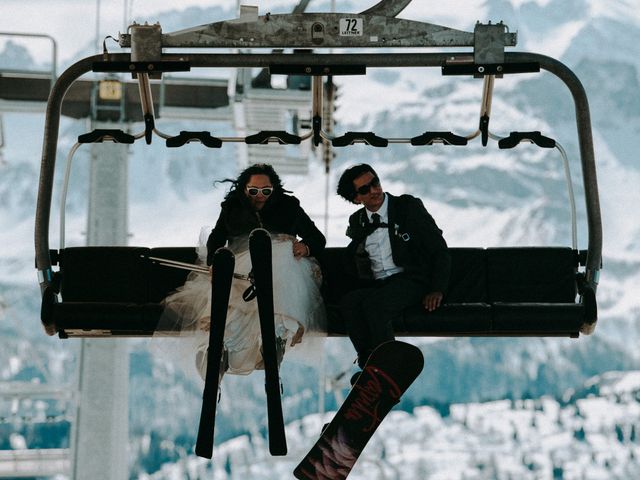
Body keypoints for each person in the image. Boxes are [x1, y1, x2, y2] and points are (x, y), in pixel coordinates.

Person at [162, 163, 326, 381]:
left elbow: (317, 238)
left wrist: (304, 247)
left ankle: (274, 336)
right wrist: (215, 262)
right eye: (254, 191)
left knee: (278, 263)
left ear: (274, 189)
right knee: (233, 296)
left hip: (284, 263)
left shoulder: (289, 206)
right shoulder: (232, 207)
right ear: (244, 189)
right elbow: (217, 238)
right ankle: (223, 345)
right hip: (242, 266)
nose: (260, 196)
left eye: (266, 191)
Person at [336, 163, 451, 376]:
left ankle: (390, 371)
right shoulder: (358, 221)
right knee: (349, 303)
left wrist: (437, 288)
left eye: (375, 182)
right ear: (356, 199)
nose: (374, 190)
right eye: (364, 189)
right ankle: (368, 364)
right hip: (379, 284)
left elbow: (438, 248)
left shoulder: (407, 207)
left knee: (375, 306)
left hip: (411, 279)